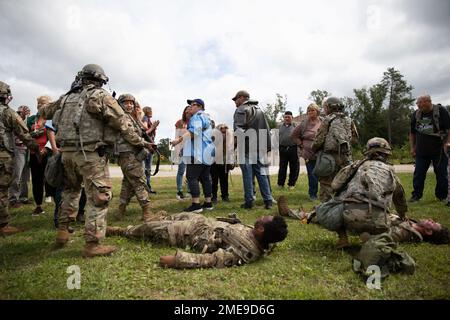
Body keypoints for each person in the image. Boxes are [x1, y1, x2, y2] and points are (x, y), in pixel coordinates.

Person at [40, 64, 155, 258]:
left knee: (70, 191)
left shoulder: (67, 97)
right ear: (101, 80)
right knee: (99, 197)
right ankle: (92, 244)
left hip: (66, 154)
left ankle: (62, 231)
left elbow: (45, 111)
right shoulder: (101, 96)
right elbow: (124, 125)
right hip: (90, 155)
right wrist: (142, 142)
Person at [279, 137, 409, 248]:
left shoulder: (356, 167)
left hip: (352, 218)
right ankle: (370, 236)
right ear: (386, 154)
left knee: (321, 210)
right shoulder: (391, 172)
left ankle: (342, 237)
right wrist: (402, 214)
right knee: (388, 217)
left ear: (367, 152)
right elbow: (400, 197)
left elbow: (336, 186)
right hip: (380, 222)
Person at [106, 212, 288, 269]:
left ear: (261, 228)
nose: (262, 216)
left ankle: (124, 232)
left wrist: (177, 260)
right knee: (173, 216)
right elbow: (271, 243)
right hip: (203, 222)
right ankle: (159, 218)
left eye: (264, 219)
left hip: (189, 233)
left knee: (151, 228)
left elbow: (211, 261)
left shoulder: (245, 252)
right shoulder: (266, 239)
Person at [277, 197, 449, 245]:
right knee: (324, 212)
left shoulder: (408, 233)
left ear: (428, 231)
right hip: (369, 215)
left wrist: (365, 236)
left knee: (322, 215)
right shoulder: (412, 223)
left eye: (433, 224)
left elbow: (385, 238)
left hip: (364, 221)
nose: (431, 219)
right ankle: (299, 214)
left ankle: (291, 213)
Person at [0, 81, 38, 236]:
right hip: (2, 156)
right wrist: (36, 149)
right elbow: (24, 134)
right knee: (2, 190)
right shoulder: (8, 113)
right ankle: (3, 224)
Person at [115, 94, 155, 222]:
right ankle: (146, 212)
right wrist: (146, 144)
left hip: (130, 154)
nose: (129, 105)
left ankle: (121, 211)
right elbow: (130, 136)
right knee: (139, 182)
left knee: (127, 183)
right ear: (120, 104)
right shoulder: (122, 117)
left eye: (131, 103)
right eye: (125, 103)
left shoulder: (131, 118)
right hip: (128, 154)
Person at [171, 99, 215, 213]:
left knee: (192, 177)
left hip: (197, 152)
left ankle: (196, 204)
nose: (190, 107)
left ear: (199, 106)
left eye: (192, 105)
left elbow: (193, 132)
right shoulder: (207, 117)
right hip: (207, 152)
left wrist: (178, 140)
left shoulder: (196, 116)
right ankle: (208, 202)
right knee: (205, 178)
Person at [232, 90, 274, 209]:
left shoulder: (240, 109)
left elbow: (238, 130)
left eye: (236, 99)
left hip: (246, 148)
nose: (235, 102)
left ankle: (249, 201)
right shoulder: (260, 110)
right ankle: (268, 200)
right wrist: (267, 147)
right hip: (260, 147)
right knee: (262, 175)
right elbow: (267, 129)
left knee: (248, 176)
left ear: (241, 98)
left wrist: (234, 147)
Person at [312, 97, 358, 202]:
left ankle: (325, 210)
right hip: (346, 158)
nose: (324, 109)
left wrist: (314, 149)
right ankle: (342, 207)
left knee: (326, 185)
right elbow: (355, 139)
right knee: (344, 184)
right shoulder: (349, 120)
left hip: (329, 158)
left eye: (325, 107)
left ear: (329, 107)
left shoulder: (327, 120)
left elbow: (319, 140)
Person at [409, 95, 450, 203]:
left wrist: (448, 143)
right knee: (418, 174)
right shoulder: (416, 114)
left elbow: (449, 129)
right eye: (417, 103)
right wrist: (412, 147)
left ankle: (441, 196)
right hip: (421, 151)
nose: (418, 105)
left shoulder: (441, 111)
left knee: (441, 174)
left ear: (428, 101)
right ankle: (416, 196)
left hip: (439, 150)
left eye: (420, 102)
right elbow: (412, 133)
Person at [26, 95, 58, 216]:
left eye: (43, 103)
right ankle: (38, 206)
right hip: (34, 153)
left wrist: (47, 148)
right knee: (36, 179)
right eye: (38, 103)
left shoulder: (53, 118)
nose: (40, 105)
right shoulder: (32, 119)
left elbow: (56, 134)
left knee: (52, 179)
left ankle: (57, 205)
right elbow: (26, 134)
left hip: (49, 153)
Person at [291, 103, 322, 200]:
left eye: (313, 110)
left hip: (322, 152)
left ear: (317, 112)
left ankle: (324, 194)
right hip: (308, 153)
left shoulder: (323, 122)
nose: (310, 112)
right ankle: (312, 194)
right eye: (309, 110)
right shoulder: (304, 123)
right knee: (312, 174)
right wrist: (301, 144)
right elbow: (293, 136)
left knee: (323, 173)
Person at [8, 105, 32, 207]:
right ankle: (13, 198)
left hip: (28, 151)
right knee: (16, 175)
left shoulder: (29, 121)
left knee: (26, 176)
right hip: (18, 150)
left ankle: (24, 197)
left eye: (27, 110)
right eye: (23, 110)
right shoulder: (15, 120)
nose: (25, 112)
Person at [211, 123, 234, 204]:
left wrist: (231, 162)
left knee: (224, 180)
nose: (223, 132)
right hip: (214, 163)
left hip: (224, 163)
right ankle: (213, 196)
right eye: (221, 130)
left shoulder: (229, 142)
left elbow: (231, 152)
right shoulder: (213, 140)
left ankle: (225, 196)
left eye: (225, 131)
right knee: (214, 180)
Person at [276, 111, 299, 190]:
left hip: (293, 148)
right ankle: (280, 184)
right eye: (285, 117)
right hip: (282, 148)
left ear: (292, 118)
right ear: (284, 118)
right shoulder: (279, 126)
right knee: (282, 167)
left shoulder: (296, 126)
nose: (287, 118)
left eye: (289, 117)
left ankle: (291, 184)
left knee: (293, 168)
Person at [173, 106, 191, 200]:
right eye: (186, 112)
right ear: (184, 112)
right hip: (182, 149)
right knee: (181, 170)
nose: (188, 114)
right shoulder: (180, 122)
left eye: (189, 112)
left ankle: (189, 191)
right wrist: (178, 149)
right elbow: (177, 136)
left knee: (190, 172)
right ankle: (179, 190)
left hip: (192, 150)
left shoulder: (194, 122)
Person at [142, 106, 159, 194]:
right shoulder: (145, 118)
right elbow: (145, 132)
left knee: (147, 169)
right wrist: (152, 127)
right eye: (150, 110)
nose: (151, 111)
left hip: (150, 147)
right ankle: (147, 188)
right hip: (146, 148)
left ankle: (147, 188)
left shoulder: (148, 120)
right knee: (146, 169)